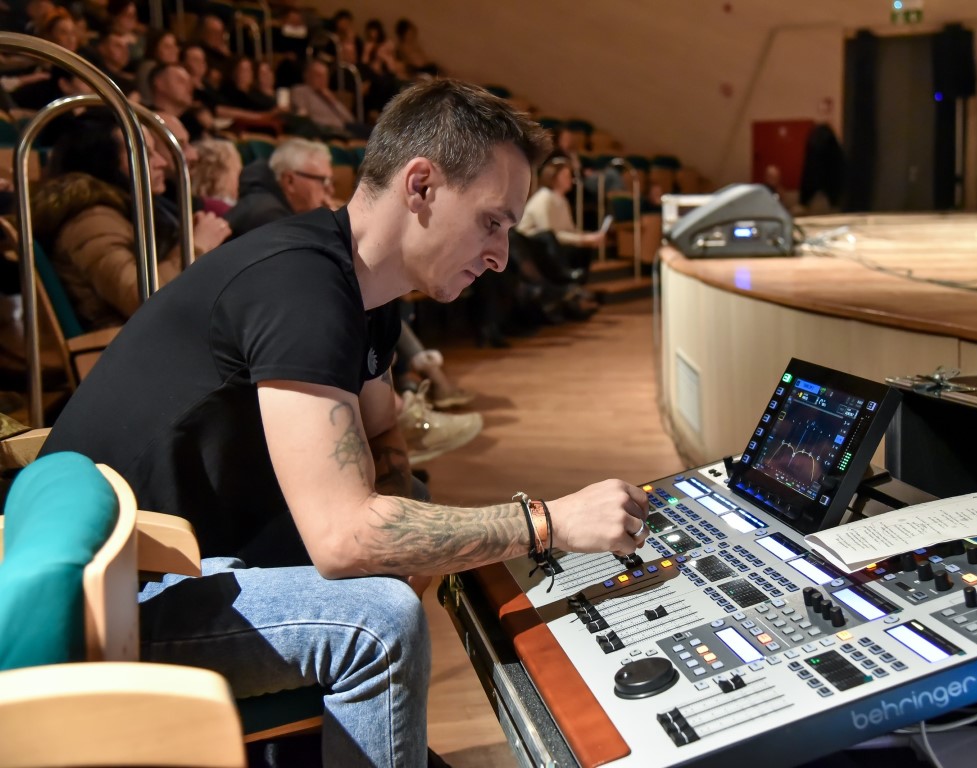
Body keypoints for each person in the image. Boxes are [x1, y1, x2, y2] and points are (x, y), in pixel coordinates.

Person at [41, 78, 649, 767]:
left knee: (400, 536)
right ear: (420, 186)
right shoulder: (301, 288)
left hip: (189, 563)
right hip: (112, 606)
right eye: (492, 222)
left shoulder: (367, 290)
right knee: (378, 623)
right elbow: (342, 538)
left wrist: (395, 537)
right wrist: (545, 522)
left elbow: (384, 432)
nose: (500, 255)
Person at [30, 110, 231, 329]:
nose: (161, 162)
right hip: (128, 344)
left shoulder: (119, 211)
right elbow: (142, 299)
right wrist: (195, 246)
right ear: (105, 162)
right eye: (146, 154)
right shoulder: (91, 221)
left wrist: (187, 238)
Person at [225, 136, 333, 238]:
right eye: (323, 180)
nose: (330, 190)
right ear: (289, 181)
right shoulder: (269, 217)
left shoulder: (268, 204)